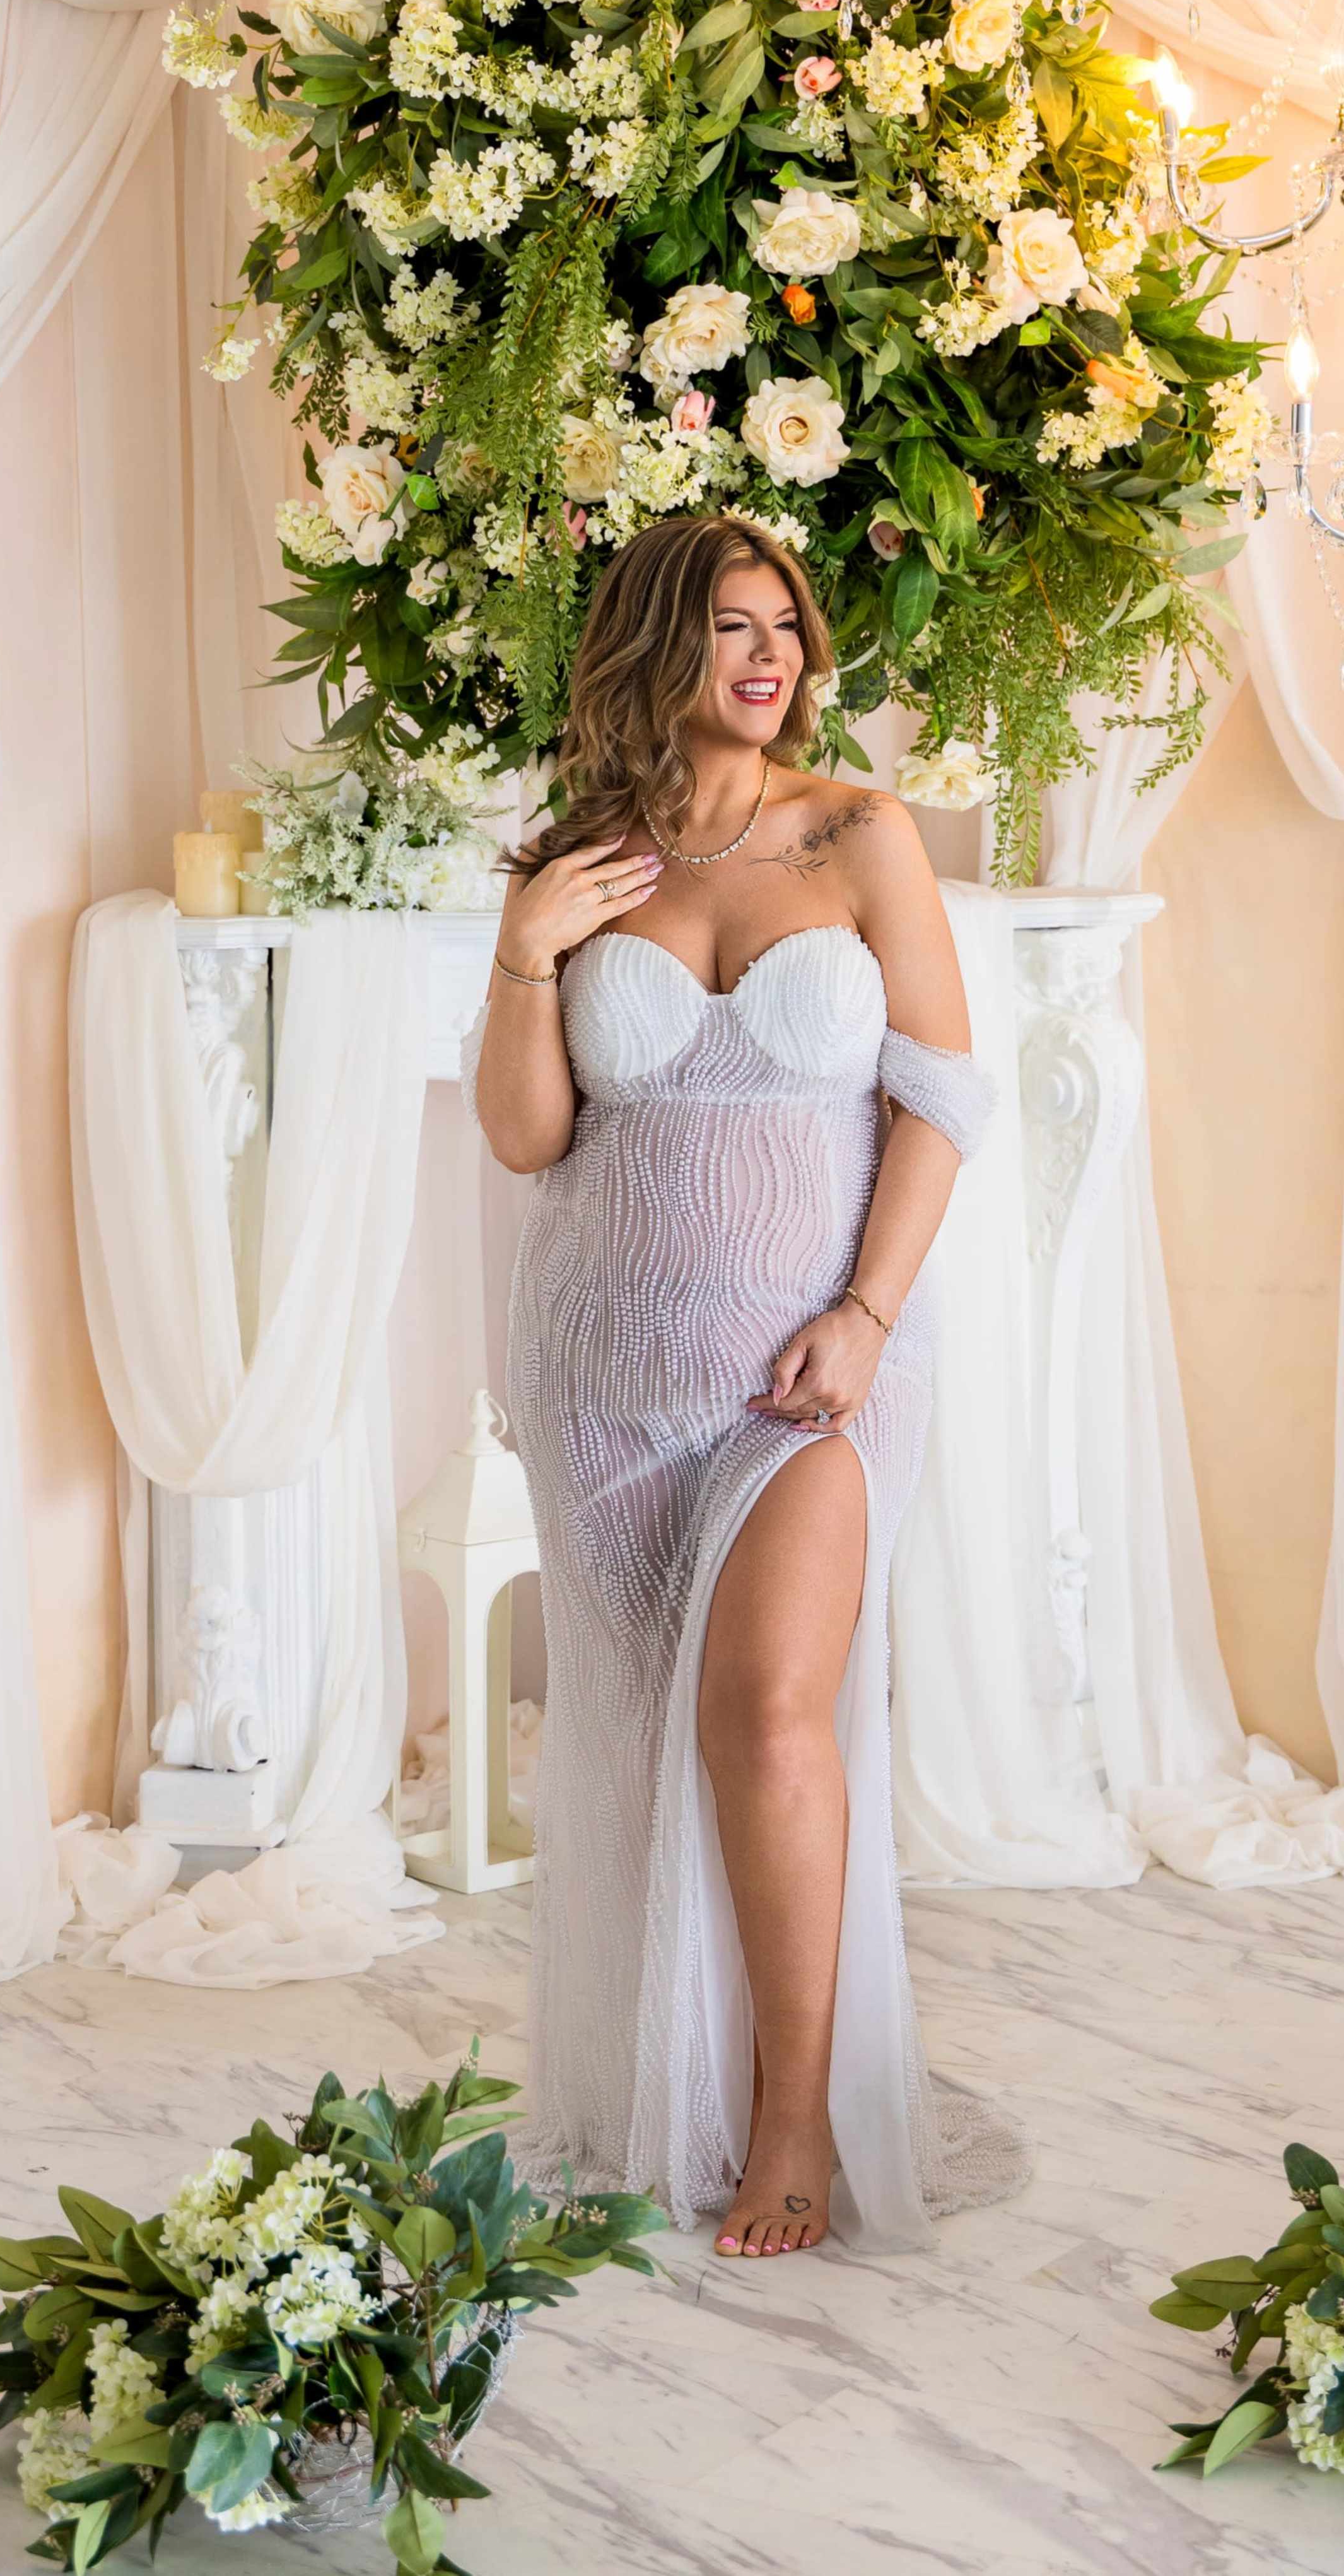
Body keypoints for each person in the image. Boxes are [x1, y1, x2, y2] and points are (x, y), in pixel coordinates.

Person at [463, 510, 1024, 2258]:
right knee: (636, 1743)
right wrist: (526, 951)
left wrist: (864, 1311)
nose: (770, 656)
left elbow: (940, 1094)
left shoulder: (863, 834)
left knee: (772, 1713)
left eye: (787, 623)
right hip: (608, 1365)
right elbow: (528, 1135)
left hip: (808, 1368)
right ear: (654, 644)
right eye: (729, 625)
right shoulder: (581, 861)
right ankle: (670, 2090)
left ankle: (795, 2121)